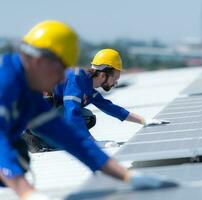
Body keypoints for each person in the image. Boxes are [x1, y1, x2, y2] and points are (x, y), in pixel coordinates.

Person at [0, 20, 177, 200]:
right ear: (39, 62)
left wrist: (127, 176)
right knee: (11, 157)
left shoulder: (28, 92)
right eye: (60, 70)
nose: (63, 78)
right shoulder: (4, 83)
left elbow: (69, 137)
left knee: (18, 156)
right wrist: (27, 193)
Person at [23, 48, 170, 152]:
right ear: (103, 74)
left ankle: (43, 137)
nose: (116, 83)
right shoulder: (77, 78)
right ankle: (35, 139)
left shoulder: (88, 87)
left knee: (88, 118)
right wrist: (93, 143)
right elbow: (71, 111)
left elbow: (111, 108)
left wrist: (144, 120)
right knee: (79, 120)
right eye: (115, 78)